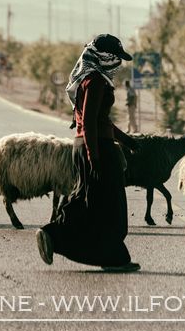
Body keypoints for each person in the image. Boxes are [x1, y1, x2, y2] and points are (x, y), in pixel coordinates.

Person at [38, 34, 141, 272]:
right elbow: (92, 123)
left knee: (93, 201)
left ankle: (109, 256)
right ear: (104, 56)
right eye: (115, 57)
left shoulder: (90, 79)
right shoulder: (94, 81)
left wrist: (127, 141)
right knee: (108, 206)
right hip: (96, 149)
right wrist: (94, 157)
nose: (118, 62)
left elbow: (99, 121)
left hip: (88, 146)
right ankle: (56, 236)